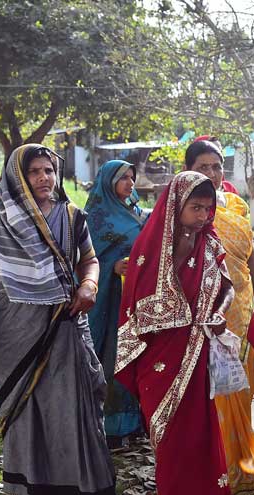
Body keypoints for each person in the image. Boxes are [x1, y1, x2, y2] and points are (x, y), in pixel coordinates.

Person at [0, 144, 122, 495]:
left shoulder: (72, 215)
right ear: (17, 177)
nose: (45, 178)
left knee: (75, 412)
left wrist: (89, 286)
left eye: (49, 170)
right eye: (35, 172)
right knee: (29, 417)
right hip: (15, 338)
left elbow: (89, 259)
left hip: (66, 330)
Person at [115, 171, 237, 495]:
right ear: (176, 205)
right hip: (162, 364)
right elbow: (139, 310)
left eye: (208, 208)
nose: (203, 216)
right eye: (195, 207)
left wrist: (213, 317)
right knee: (174, 454)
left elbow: (224, 289)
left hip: (197, 359)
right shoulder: (153, 249)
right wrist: (191, 316)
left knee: (203, 447)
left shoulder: (211, 244)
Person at [186, 139, 254, 495]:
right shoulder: (184, 207)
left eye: (216, 166)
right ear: (189, 169)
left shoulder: (235, 204)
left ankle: (241, 464)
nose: (211, 173)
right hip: (206, 313)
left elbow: (250, 257)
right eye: (203, 167)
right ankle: (218, 470)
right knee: (213, 391)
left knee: (239, 386)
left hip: (242, 310)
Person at [84, 159, 147, 449]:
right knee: (111, 356)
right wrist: (112, 266)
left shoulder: (137, 213)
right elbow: (83, 260)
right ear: (108, 181)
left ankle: (135, 422)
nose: (130, 183)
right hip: (109, 301)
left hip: (137, 296)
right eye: (123, 178)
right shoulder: (95, 217)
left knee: (138, 354)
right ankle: (109, 426)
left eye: (132, 178)